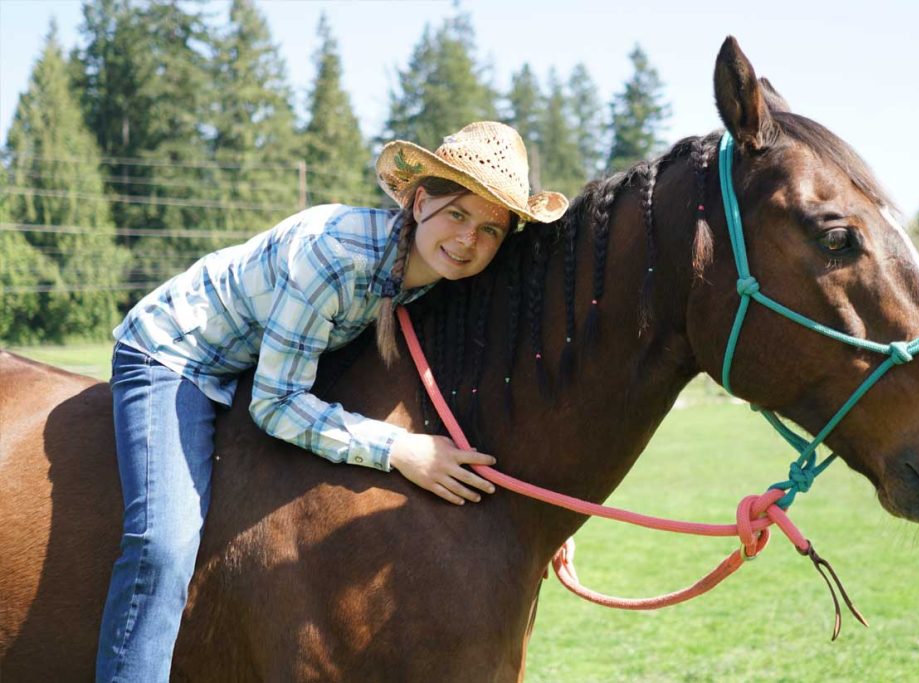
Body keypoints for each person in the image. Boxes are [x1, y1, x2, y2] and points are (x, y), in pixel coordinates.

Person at [95, 121, 568, 682]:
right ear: (420, 202)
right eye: (457, 214)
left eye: (490, 229)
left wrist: (535, 517)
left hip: (254, 361)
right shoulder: (337, 258)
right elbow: (274, 404)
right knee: (164, 546)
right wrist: (400, 450)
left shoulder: (442, 273)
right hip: (175, 353)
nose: (469, 240)